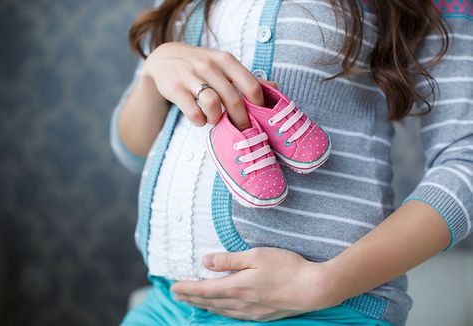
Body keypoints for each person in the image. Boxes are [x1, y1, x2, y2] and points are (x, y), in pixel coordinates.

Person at [110, 0, 473, 325]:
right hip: (166, 304)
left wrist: (326, 283)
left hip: (324, 310)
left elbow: (464, 161)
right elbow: (133, 150)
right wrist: (152, 71)